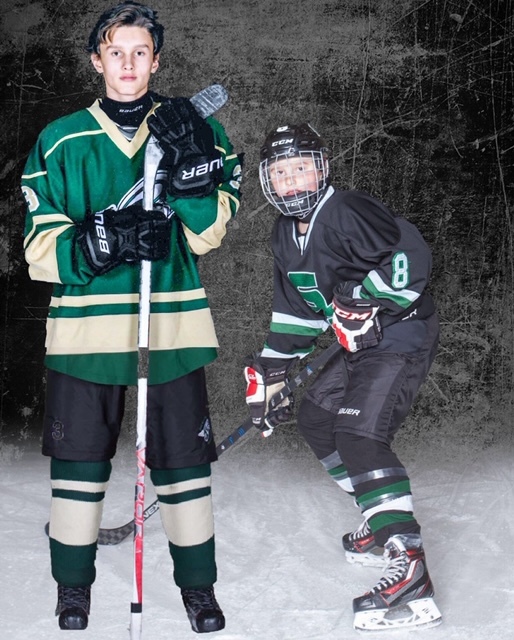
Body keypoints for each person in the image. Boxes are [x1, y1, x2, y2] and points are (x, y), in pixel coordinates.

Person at [21, 2, 242, 633]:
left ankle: (198, 590)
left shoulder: (197, 130)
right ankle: (73, 589)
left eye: (139, 52)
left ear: (156, 60)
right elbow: (39, 248)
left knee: (182, 467)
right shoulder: (61, 139)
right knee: (81, 465)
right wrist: (103, 241)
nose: (127, 63)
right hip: (85, 330)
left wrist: (194, 182)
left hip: (170, 324)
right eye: (115, 51)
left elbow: (207, 237)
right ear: (96, 60)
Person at [243, 123, 442, 631]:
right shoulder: (284, 235)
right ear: (269, 180)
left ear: (322, 167)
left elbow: (410, 256)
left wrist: (367, 297)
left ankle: (410, 568)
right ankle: (382, 521)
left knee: (358, 434)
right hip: (359, 344)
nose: (292, 181)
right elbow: (298, 315)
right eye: (281, 172)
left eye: (301, 168)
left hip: (399, 334)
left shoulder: (347, 209)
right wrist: (273, 372)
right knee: (316, 418)